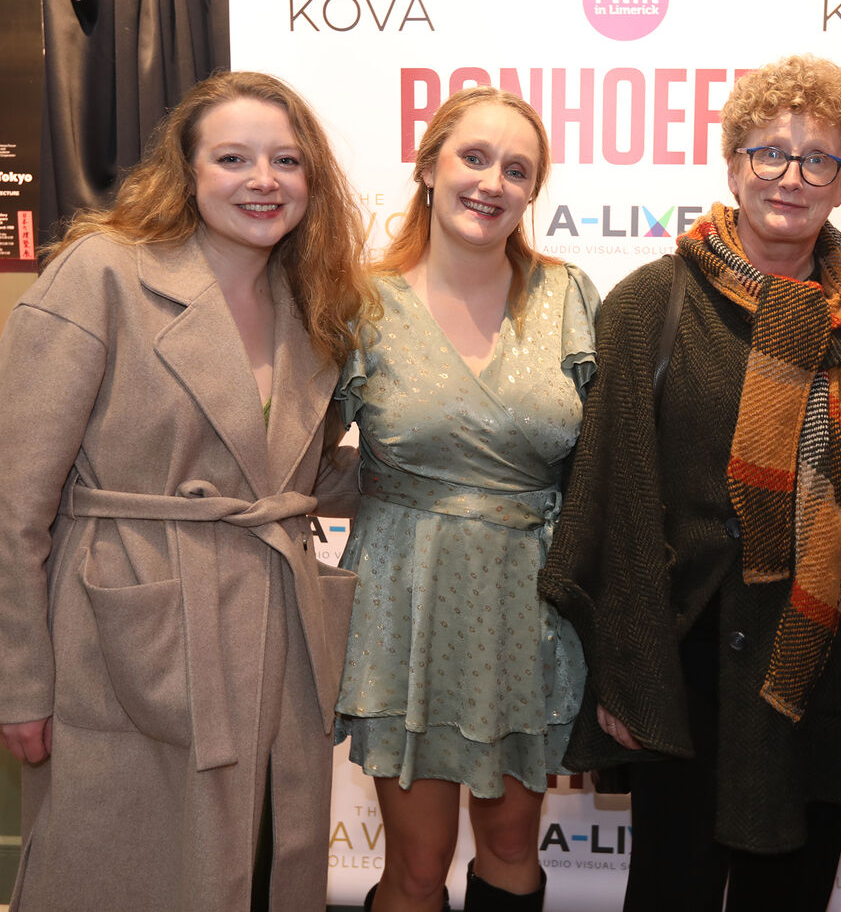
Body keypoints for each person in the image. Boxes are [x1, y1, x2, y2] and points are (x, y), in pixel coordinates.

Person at [538, 54, 841, 911]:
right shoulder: (650, 303)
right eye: (769, 152)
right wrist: (628, 674)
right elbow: (614, 498)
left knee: (790, 894)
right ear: (733, 164)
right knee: (669, 892)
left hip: (819, 665)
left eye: (817, 158)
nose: (791, 176)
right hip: (687, 667)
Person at [0, 71, 375, 910]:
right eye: (233, 158)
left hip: (277, 637)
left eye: (286, 160)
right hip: (126, 639)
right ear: (188, 170)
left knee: (265, 864)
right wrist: (18, 681)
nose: (263, 180)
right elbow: (12, 501)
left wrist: (425, 472)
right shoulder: (102, 273)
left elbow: (283, 474)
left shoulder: (312, 302)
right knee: (119, 868)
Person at [334, 85, 598, 912]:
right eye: (474, 157)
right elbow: (293, 452)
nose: (492, 182)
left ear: (532, 191)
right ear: (428, 167)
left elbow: (602, 467)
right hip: (403, 604)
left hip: (529, 607)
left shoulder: (567, 294)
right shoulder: (360, 303)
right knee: (417, 868)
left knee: (514, 848)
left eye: (516, 169)